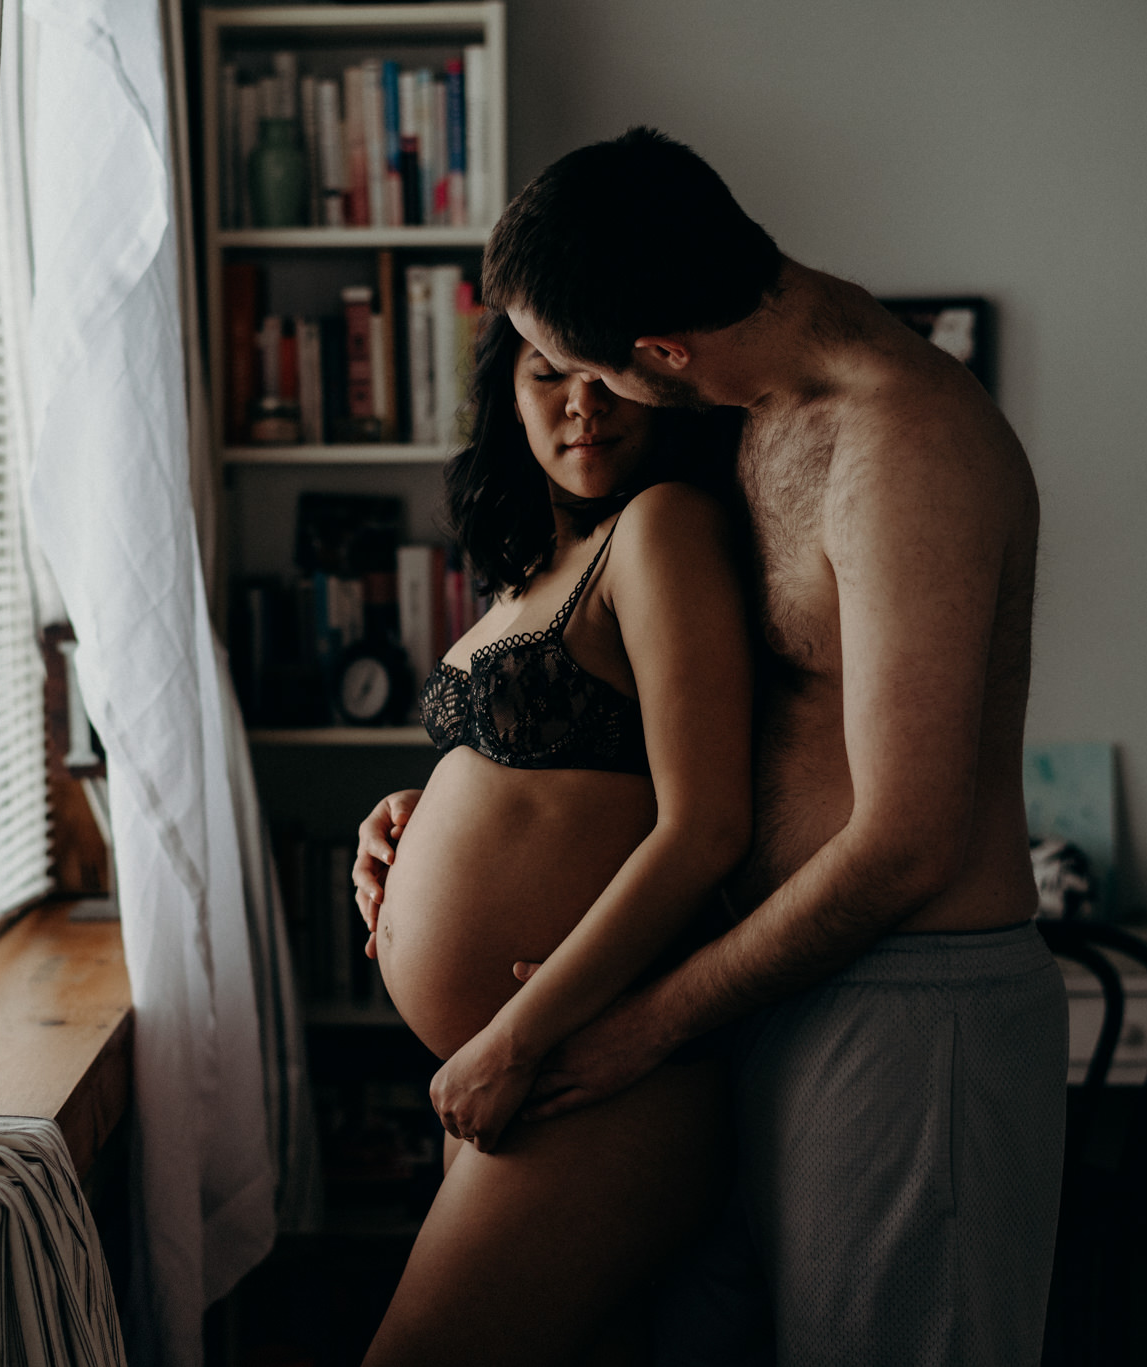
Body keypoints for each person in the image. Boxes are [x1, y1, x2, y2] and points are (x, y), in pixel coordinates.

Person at [355, 128, 1065, 1366]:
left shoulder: (907, 445)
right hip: (759, 985)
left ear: (659, 355)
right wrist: (456, 815)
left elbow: (902, 840)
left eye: (584, 370)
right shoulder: (752, 409)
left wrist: (641, 1025)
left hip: (901, 999)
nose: (576, 402)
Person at [357, 306, 754, 1366]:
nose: (579, 403)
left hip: (587, 1067)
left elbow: (703, 825)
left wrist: (514, 1035)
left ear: (660, 384)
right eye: (546, 376)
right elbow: (553, 768)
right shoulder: (533, 563)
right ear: (508, 397)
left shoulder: (662, 523)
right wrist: (414, 809)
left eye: (605, 375)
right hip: (518, 1063)